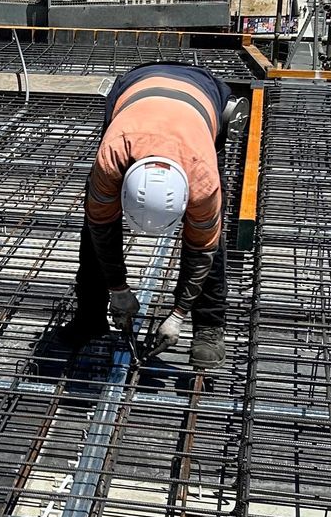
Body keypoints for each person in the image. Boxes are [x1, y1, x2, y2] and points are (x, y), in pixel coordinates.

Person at [46, 62, 246, 372]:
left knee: (209, 235)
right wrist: (118, 290)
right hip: (133, 93)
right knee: (95, 223)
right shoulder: (112, 156)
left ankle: (208, 328)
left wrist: (178, 313)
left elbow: (202, 248)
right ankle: (90, 317)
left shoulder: (202, 177)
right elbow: (102, 227)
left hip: (200, 101)